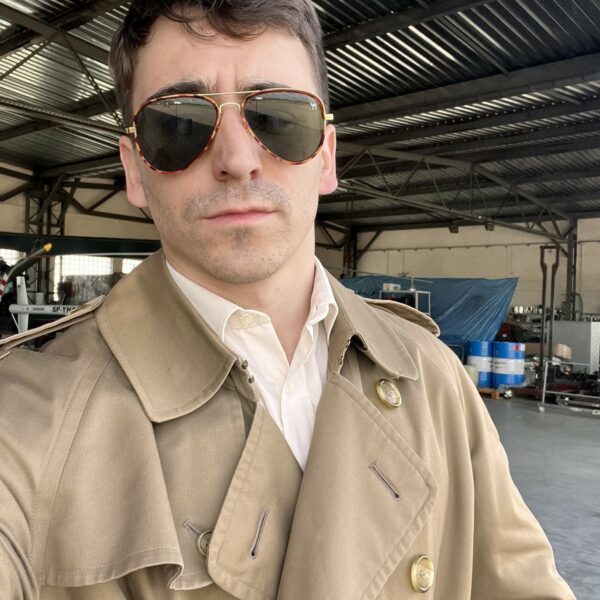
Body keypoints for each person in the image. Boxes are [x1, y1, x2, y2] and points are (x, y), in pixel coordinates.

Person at [0, 1, 576, 598]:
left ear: (326, 156)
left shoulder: (433, 378)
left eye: (277, 118)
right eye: (178, 127)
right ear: (134, 169)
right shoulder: (29, 415)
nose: (237, 160)